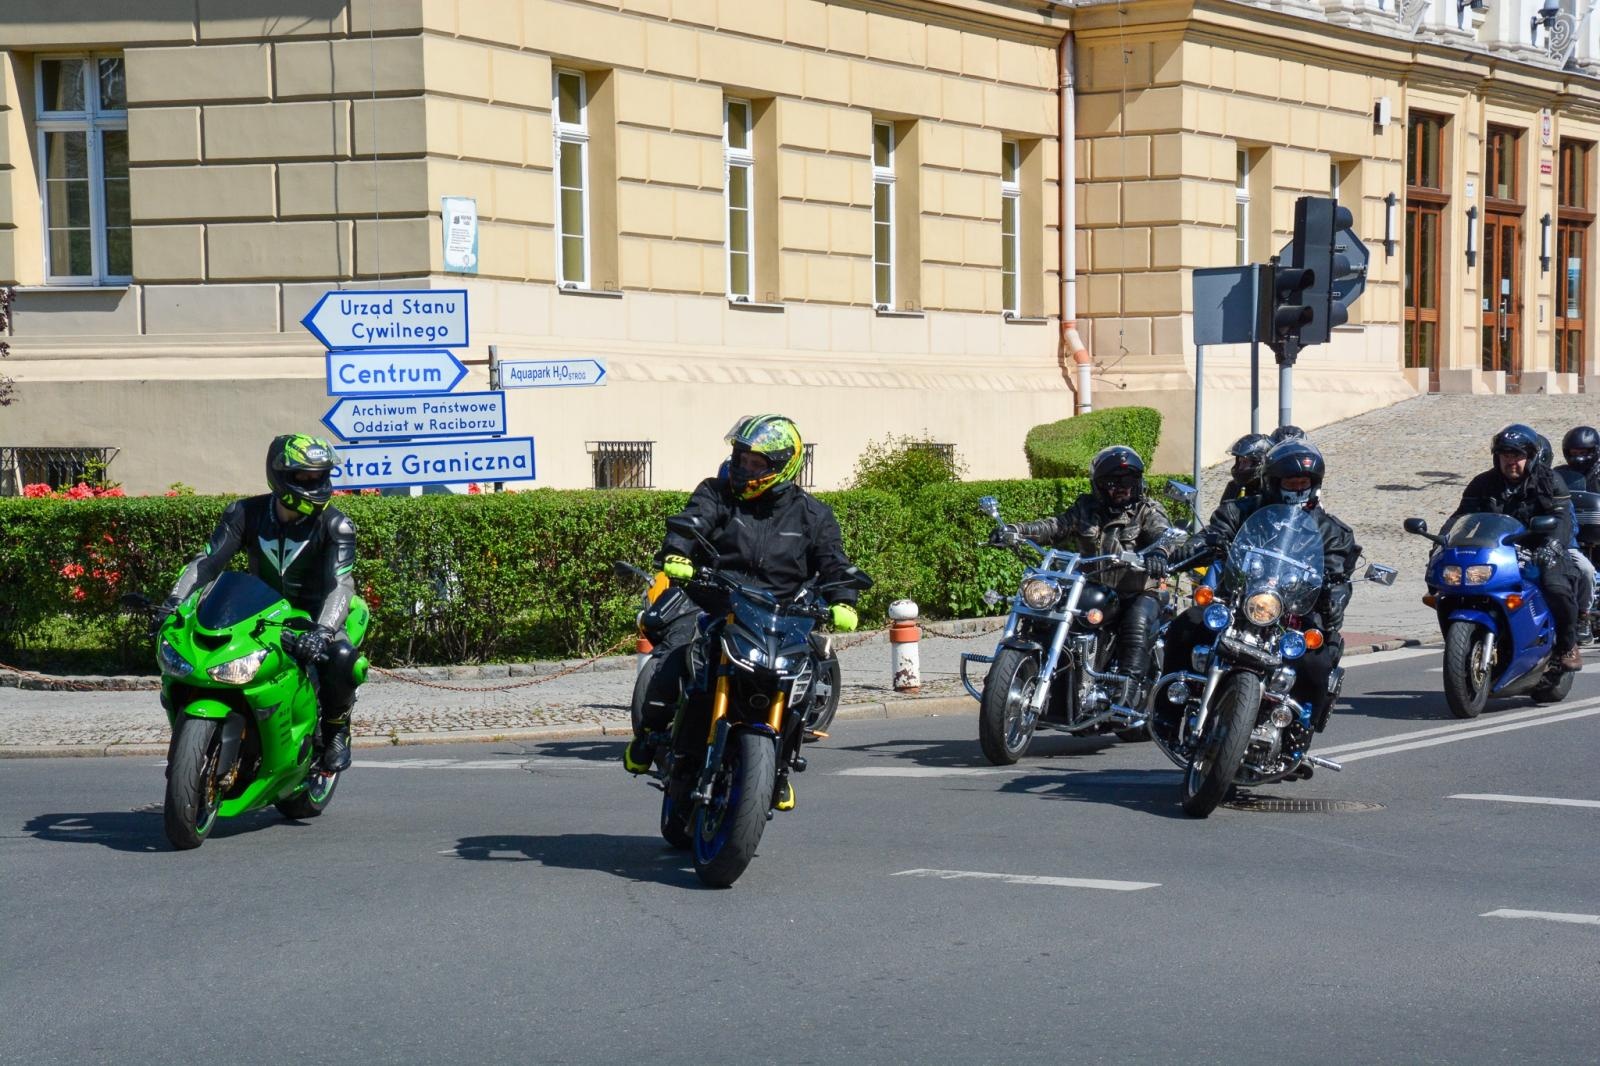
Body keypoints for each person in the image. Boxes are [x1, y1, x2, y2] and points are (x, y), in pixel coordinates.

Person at [624, 414, 861, 812]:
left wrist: (843, 601)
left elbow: (834, 562)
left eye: (756, 464)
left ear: (783, 465)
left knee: (801, 680)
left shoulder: (813, 515)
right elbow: (690, 523)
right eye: (740, 459)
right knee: (682, 655)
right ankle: (649, 734)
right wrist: (678, 554)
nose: (745, 469)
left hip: (780, 615)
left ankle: (778, 767)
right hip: (720, 601)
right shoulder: (716, 493)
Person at [160, 434, 362, 771]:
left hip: (312, 618)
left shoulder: (336, 524)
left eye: (320, 476)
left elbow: (340, 585)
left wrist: (323, 632)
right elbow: (208, 563)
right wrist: (173, 602)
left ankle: (336, 729)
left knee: (342, 657)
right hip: (258, 614)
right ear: (280, 476)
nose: (315, 483)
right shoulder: (244, 512)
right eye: (304, 477)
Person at [1161, 439, 1360, 739]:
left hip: (1291, 613)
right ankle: (1168, 714)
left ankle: (1297, 732)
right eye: (1290, 482)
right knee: (1183, 628)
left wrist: (1336, 595)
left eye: (1303, 482)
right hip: (1238, 603)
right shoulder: (1239, 511)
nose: (1297, 489)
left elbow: (1337, 569)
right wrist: (1196, 546)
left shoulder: (1332, 531)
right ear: (1272, 482)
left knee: (1318, 662)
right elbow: (1214, 533)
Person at [994, 446, 1174, 702]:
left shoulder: (1148, 510)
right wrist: (1016, 531)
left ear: (1139, 483)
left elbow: (1163, 534)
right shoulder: (1086, 508)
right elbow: (1056, 526)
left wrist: (1160, 554)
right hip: (1091, 587)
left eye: (1129, 481)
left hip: (1138, 590)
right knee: (1047, 612)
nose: (1122, 487)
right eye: (1112, 482)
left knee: (1137, 621)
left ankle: (1127, 692)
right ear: (1099, 486)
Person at [1452, 423, 1583, 672]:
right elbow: (1460, 518)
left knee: (1556, 587)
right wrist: (1443, 542)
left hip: (1540, 551)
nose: (1511, 461)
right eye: (1506, 455)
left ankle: (1568, 645)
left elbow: (1563, 519)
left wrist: (1553, 545)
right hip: (1497, 552)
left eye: (1518, 455)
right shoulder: (1482, 483)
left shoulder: (1550, 482)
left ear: (1531, 457)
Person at [1220, 433, 1272, 504]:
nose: (1240, 467)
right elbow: (1223, 512)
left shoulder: (1272, 489)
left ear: (1260, 462)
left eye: (1245, 462)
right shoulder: (1233, 487)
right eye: (1239, 462)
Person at [1556, 425, 1600, 493]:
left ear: (1594, 451)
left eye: (1583, 453)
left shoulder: (1598, 473)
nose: (1578, 457)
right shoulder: (1560, 474)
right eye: (1574, 453)